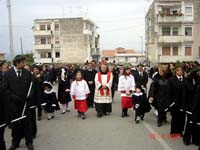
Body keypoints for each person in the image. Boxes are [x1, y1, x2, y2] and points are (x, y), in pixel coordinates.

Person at [4, 55, 34, 150]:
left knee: (27, 124)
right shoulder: (8, 74)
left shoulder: (27, 73)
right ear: (17, 63)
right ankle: (15, 142)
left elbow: (32, 86)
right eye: (23, 62)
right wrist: (13, 97)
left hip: (25, 104)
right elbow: (5, 88)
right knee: (15, 124)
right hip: (14, 104)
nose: (24, 64)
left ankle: (29, 142)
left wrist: (30, 95)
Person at [168, 65, 189, 136]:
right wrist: (170, 102)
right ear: (175, 71)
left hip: (184, 102)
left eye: (181, 70)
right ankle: (174, 131)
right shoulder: (171, 79)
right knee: (175, 117)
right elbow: (169, 92)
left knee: (182, 118)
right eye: (178, 70)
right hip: (175, 102)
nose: (180, 71)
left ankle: (180, 131)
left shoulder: (186, 79)